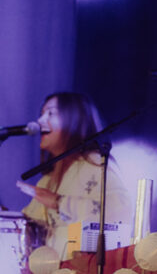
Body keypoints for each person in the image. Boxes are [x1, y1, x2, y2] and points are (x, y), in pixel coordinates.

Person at [19, 92, 131, 260]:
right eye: (42, 114)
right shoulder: (47, 180)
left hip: (82, 268)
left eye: (50, 113)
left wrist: (59, 203)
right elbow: (27, 225)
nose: (40, 121)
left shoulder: (95, 165)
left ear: (74, 120)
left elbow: (120, 212)